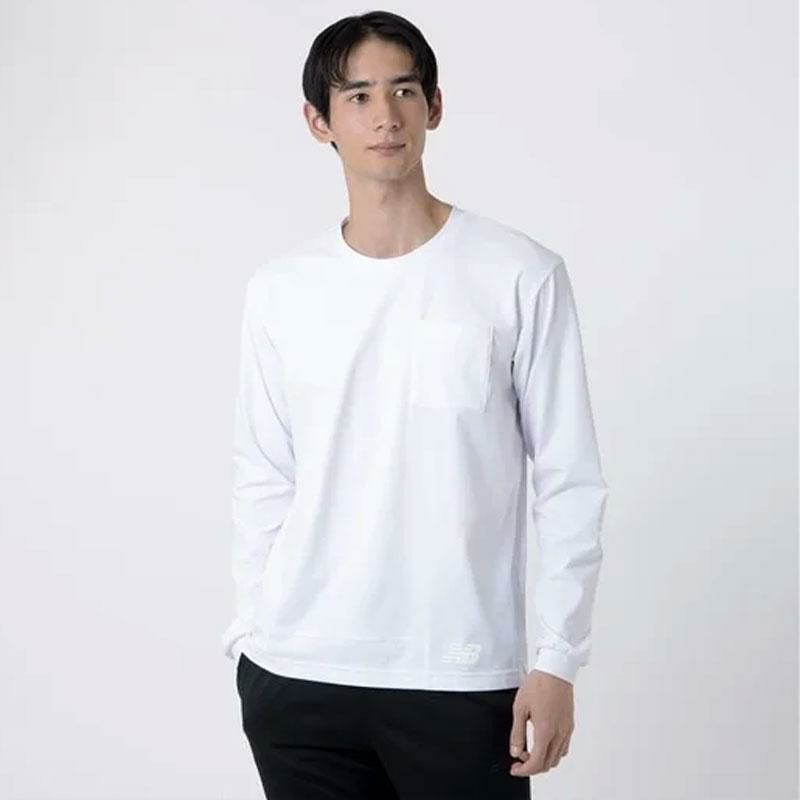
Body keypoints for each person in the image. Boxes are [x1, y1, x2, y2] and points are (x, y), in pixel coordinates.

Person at [221, 10, 609, 799]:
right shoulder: (281, 290)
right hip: (297, 677)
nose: (385, 116)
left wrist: (557, 659)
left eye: (403, 91)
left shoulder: (518, 274)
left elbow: (569, 481)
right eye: (358, 96)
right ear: (318, 121)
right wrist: (250, 639)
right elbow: (264, 474)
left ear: (434, 105)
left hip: (458, 676)